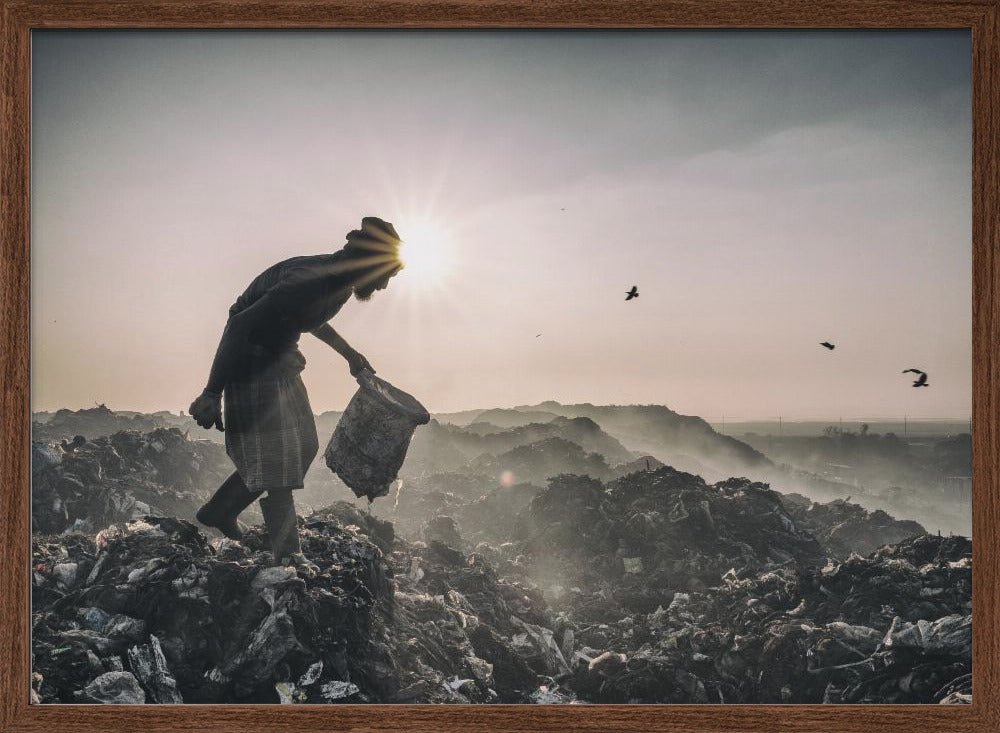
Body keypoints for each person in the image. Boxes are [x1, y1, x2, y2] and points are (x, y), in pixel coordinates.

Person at [188, 217, 404, 568]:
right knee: (278, 464)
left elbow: (309, 317)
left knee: (303, 445)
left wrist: (350, 354)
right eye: (385, 277)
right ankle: (289, 554)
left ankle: (220, 509)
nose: (382, 287)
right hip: (251, 362)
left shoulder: (339, 282)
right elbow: (240, 323)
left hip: (281, 360)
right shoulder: (308, 279)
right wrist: (212, 393)